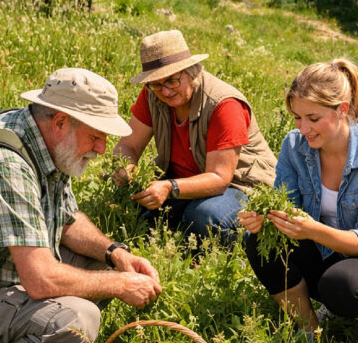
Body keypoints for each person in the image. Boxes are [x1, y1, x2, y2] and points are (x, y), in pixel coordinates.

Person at [0, 68, 162, 343]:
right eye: (96, 136)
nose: (103, 149)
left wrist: (115, 253)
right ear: (61, 121)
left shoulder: (38, 135)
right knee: (78, 320)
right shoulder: (4, 163)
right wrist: (119, 284)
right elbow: (40, 278)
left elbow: (65, 218)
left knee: (104, 269)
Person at [238, 59, 358, 343]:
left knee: (339, 285)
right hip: (328, 251)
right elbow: (286, 205)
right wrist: (266, 218)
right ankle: (311, 332)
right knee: (261, 241)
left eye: (313, 118)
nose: (304, 128)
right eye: (297, 117)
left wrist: (312, 230)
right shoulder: (294, 145)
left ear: (341, 109)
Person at [113, 30, 276, 240]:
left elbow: (219, 178)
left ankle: (255, 232)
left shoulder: (224, 104)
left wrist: (170, 187)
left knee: (204, 217)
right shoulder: (152, 95)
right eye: (155, 84)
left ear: (191, 71)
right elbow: (129, 145)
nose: (165, 92)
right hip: (185, 181)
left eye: (172, 81)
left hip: (241, 185)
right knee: (131, 200)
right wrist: (125, 168)